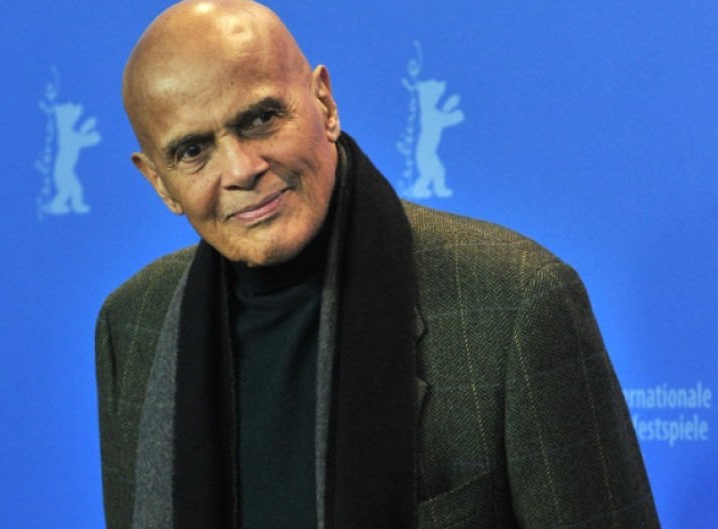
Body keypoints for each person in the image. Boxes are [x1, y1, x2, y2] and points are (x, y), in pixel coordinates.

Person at [95, 1, 660, 528]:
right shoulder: (132, 325)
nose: (242, 169)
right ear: (159, 182)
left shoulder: (515, 303)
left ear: (324, 104)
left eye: (261, 118)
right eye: (193, 151)